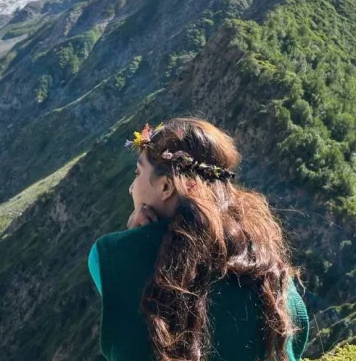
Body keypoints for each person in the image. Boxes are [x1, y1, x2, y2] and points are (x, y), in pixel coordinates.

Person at [88, 117, 310, 361]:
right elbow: (295, 337)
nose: (131, 187)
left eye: (138, 172)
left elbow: (121, 304)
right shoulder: (267, 267)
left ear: (165, 186)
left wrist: (132, 237)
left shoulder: (111, 256)